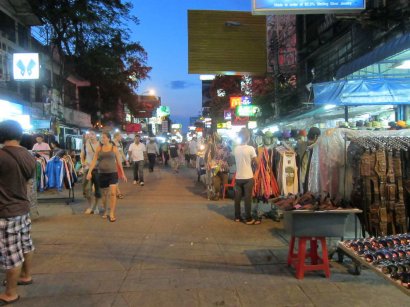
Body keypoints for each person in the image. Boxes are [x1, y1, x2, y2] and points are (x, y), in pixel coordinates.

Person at [0, 120, 36, 304]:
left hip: (6, 212)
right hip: (23, 208)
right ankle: (26, 275)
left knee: (11, 254)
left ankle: (10, 293)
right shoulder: (29, 155)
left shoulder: (2, 156)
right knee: (26, 245)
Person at [87, 132, 127, 222]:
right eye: (101, 138)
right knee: (104, 194)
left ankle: (112, 213)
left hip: (113, 173)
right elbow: (94, 160)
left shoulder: (114, 148)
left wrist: (123, 174)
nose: (102, 139)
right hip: (102, 174)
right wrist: (89, 172)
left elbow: (119, 162)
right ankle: (105, 210)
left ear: (109, 138)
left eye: (104, 137)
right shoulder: (99, 148)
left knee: (113, 193)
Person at [234, 128, 258, 225]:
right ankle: (248, 219)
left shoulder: (235, 149)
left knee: (237, 199)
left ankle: (237, 217)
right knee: (247, 199)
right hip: (248, 177)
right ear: (248, 138)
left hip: (238, 177)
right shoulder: (251, 149)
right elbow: (257, 163)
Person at [80, 129, 102, 214]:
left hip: (97, 169)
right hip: (87, 169)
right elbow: (82, 155)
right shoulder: (85, 144)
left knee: (98, 189)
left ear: (96, 135)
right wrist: (83, 163)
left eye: (92, 134)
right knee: (86, 189)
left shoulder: (100, 144)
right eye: (89, 134)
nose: (91, 136)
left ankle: (96, 206)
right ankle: (90, 205)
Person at [113, 132, 129, 199]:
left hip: (119, 162)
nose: (121, 137)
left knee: (117, 178)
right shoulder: (112, 143)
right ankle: (118, 192)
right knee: (115, 178)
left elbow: (122, 153)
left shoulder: (120, 143)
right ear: (116, 136)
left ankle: (116, 192)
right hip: (114, 162)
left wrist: (126, 160)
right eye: (120, 136)